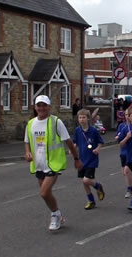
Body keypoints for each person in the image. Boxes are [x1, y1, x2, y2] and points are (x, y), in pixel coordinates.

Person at [24, 95, 81, 231]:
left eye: (44, 105)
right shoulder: (31, 123)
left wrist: (76, 159)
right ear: (35, 107)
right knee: (46, 194)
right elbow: (26, 141)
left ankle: (55, 216)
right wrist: (27, 152)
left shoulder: (56, 122)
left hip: (53, 163)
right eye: (39, 105)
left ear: (49, 107)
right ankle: (57, 213)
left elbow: (68, 142)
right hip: (38, 164)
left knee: (43, 193)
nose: (41, 108)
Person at [73, 109, 105, 210]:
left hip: (91, 159)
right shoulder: (77, 130)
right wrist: (72, 148)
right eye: (80, 118)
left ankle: (98, 186)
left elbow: (100, 142)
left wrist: (97, 149)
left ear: (88, 118)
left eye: (83, 117)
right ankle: (91, 201)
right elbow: (75, 142)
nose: (82, 120)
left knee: (87, 180)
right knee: (84, 182)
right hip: (81, 160)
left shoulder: (93, 131)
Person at [116, 110, 132, 198]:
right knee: (125, 172)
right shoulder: (121, 126)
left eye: (129, 114)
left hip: (131, 153)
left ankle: (129, 189)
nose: (127, 116)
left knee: (127, 171)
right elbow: (117, 137)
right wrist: (118, 136)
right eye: (126, 115)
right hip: (123, 152)